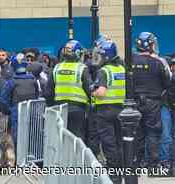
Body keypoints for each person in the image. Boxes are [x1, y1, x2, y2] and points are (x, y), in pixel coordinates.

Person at [132, 32, 172, 171]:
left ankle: (138, 163)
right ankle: (152, 165)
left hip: (134, 102)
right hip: (153, 102)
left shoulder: (131, 61)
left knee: (137, 133)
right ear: (149, 45)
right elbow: (168, 81)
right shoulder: (159, 62)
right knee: (152, 133)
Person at [91, 40, 125, 184]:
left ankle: (114, 175)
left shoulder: (103, 71)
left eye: (99, 55)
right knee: (119, 143)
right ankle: (121, 171)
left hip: (105, 110)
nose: (97, 58)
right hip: (121, 110)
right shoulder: (121, 69)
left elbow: (102, 92)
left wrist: (92, 90)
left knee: (108, 143)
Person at [44, 40, 92, 139]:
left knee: (60, 138)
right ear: (78, 53)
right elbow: (89, 90)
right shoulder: (82, 68)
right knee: (76, 140)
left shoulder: (57, 68)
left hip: (59, 108)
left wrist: (51, 105)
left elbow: (48, 92)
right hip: (78, 109)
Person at [1, 55, 39, 147]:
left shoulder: (11, 82)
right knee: (32, 136)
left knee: (17, 137)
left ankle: (19, 159)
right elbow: (37, 95)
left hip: (16, 113)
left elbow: (3, 99)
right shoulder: (33, 80)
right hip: (32, 112)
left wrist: (8, 111)